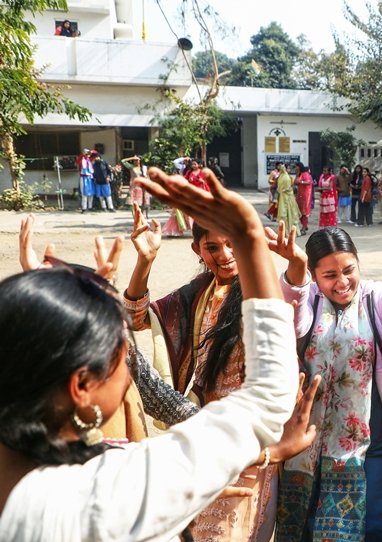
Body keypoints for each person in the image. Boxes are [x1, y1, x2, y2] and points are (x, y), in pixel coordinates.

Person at [0, 167, 301, 541]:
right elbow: (267, 397)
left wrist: (37, 311)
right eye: (122, 357)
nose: (132, 370)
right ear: (81, 387)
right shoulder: (107, 494)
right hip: (223, 432)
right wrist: (249, 236)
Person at [123, 189, 283, 541]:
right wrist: (145, 261)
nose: (225, 256)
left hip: (250, 438)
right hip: (201, 430)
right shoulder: (198, 293)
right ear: (198, 250)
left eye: (231, 245)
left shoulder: (264, 291)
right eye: (213, 248)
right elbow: (136, 318)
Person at [269, 224, 382, 541]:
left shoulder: (377, 297)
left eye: (349, 270)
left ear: (359, 264)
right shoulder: (310, 300)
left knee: (375, 522)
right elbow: (294, 323)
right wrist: (294, 267)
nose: (342, 282)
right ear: (315, 277)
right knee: (307, 520)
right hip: (310, 436)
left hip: (375, 434)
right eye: (330, 275)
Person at [274, 163, 301, 235]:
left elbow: (279, 189)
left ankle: (285, 231)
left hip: (282, 198)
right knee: (290, 214)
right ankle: (290, 231)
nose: (289, 169)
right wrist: (292, 189)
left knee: (285, 214)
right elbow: (287, 189)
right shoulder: (286, 177)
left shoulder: (281, 176)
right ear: (286, 169)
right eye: (288, 168)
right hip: (288, 198)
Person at [294, 162, 313, 235]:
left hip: (305, 196)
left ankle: (304, 228)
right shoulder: (299, 174)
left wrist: (300, 181)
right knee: (299, 211)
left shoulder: (305, 174)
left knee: (304, 212)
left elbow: (309, 182)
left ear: (299, 167)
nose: (295, 168)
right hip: (299, 195)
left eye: (296, 167)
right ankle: (305, 225)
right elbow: (295, 182)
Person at [76, 148, 94, 213]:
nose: (87, 155)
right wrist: (83, 154)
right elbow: (77, 162)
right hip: (83, 177)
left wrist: (90, 151)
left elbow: (95, 153)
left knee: (91, 193)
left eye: (87, 154)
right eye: (85, 153)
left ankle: (90, 207)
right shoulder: (81, 159)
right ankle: (84, 208)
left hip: (90, 177)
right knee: (84, 193)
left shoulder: (89, 159)